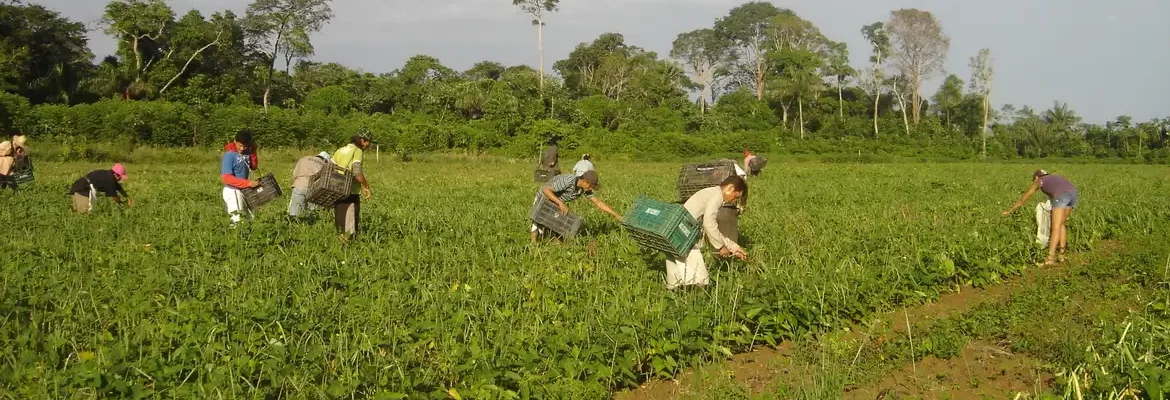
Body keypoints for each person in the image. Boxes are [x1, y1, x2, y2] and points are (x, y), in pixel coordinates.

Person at [666, 176, 749, 289]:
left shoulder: (711, 192)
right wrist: (720, 247)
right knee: (700, 280)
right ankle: (695, 296)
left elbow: (711, 228)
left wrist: (733, 247)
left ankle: (675, 294)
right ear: (730, 188)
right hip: (683, 233)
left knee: (675, 275)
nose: (733, 201)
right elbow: (709, 224)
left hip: (675, 230)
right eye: (736, 197)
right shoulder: (717, 196)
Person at [1002, 169, 1078, 265]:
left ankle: (1050, 257)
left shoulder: (1039, 180)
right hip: (1073, 193)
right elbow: (1058, 191)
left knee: (1055, 227)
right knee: (1061, 223)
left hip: (1061, 196)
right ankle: (1061, 254)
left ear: (1037, 177)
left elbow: (1025, 197)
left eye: (1033, 180)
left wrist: (1009, 211)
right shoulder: (1054, 178)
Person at [530, 170, 622, 243]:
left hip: (556, 202)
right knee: (538, 222)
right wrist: (560, 203)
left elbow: (598, 202)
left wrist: (615, 214)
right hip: (543, 198)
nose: (591, 189)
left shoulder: (583, 189)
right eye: (590, 186)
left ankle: (555, 242)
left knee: (556, 222)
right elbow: (546, 190)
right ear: (585, 181)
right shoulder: (568, 180)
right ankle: (533, 245)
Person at [331, 131, 374, 241]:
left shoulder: (340, 150)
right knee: (349, 222)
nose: (368, 146)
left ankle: (340, 243)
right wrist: (366, 186)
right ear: (362, 140)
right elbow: (356, 171)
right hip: (350, 190)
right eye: (368, 143)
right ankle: (348, 246)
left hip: (337, 188)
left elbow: (330, 167)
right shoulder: (357, 150)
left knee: (340, 219)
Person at [221, 130, 261, 226]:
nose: (242, 148)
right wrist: (248, 183)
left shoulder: (247, 152)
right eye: (240, 145)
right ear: (235, 141)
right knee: (237, 219)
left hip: (243, 190)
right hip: (232, 190)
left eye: (245, 146)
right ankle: (235, 238)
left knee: (250, 218)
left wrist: (253, 151)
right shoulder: (229, 156)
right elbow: (226, 178)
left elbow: (253, 166)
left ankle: (248, 238)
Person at [288, 151, 332, 221]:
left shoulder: (304, 159)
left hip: (299, 185)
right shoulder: (324, 165)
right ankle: (310, 226)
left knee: (294, 213)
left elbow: (294, 174)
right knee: (312, 214)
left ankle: (292, 227)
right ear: (325, 160)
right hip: (314, 189)